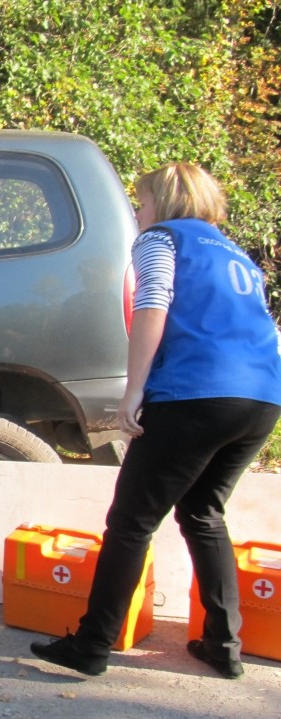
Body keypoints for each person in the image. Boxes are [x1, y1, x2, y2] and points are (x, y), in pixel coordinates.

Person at [29, 162, 281, 679]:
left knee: (130, 522)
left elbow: (151, 306)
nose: (138, 211)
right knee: (204, 514)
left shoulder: (162, 240)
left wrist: (135, 390)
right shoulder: (236, 254)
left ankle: (93, 645)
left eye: (141, 201)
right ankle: (223, 644)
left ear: (164, 202)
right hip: (260, 399)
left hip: (195, 394)